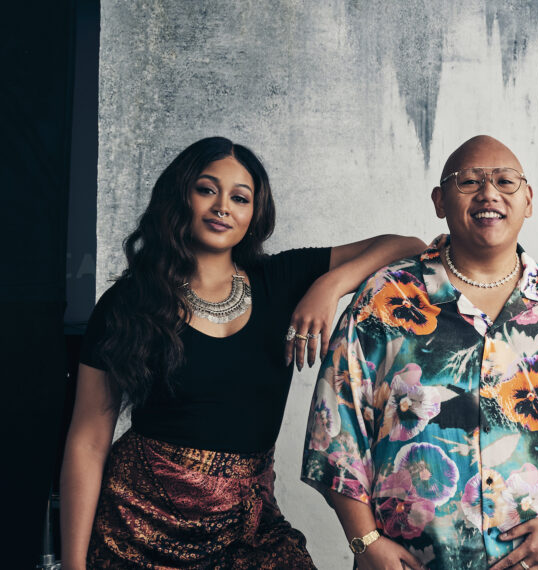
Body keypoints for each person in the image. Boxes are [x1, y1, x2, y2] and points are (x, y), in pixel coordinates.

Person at [60, 136, 425, 569]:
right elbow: (87, 441)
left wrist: (330, 285)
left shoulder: (281, 278)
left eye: (239, 197)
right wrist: (73, 565)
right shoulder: (128, 302)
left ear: (254, 214)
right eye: (206, 189)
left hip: (246, 525)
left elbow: (408, 245)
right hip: (139, 523)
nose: (222, 207)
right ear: (180, 197)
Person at [301, 135, 538, 570]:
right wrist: (366, 543)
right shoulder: (385, 302)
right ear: (440, 200)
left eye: (505, 182)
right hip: (415, 562)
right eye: (469, 181)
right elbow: (336, 429)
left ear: (528, 201)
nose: (489, 192)